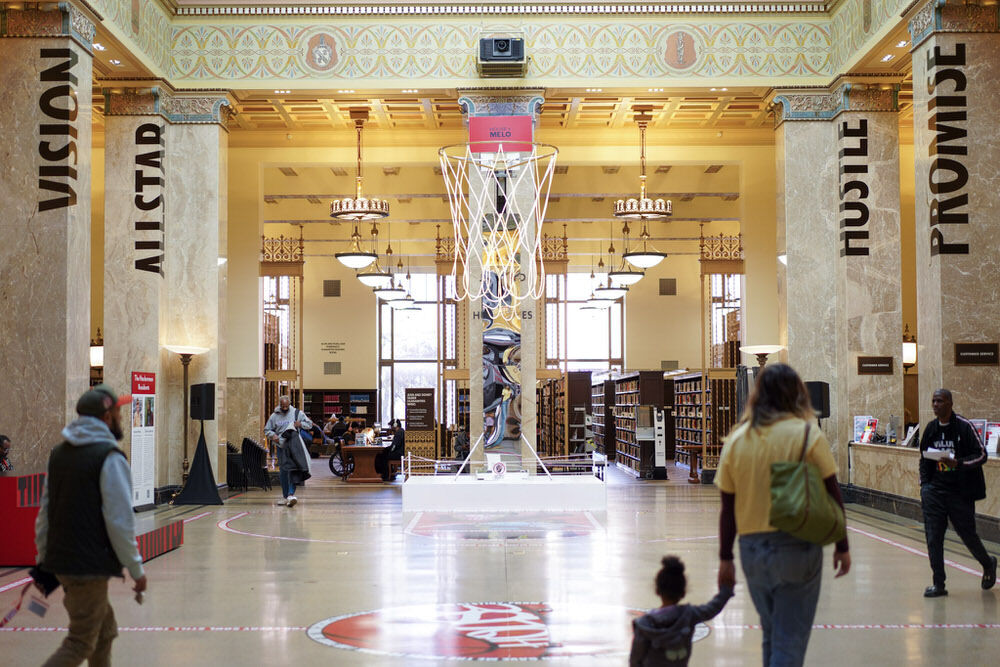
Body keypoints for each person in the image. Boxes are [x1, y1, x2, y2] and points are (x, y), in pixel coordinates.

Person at [715, 363, 850, 667]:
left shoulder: (737, 440)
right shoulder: (807, 435)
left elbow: (728, 509)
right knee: (789, 641)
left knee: (771, 633)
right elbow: (833, 492)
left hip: (752, 553)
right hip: (797, 547)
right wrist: (842, 546)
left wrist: (725, 558)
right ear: (797, 394)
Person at [34, 384, 147, 666]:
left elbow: (45, 513)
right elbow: (120, 521)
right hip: (88, 567)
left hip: (65, 563)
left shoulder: (59, 454)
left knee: (105, 633)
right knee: (81, 641)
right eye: (119, 412)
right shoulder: (109, 457)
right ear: (107, 417)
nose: (122, 417)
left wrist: (45, 558)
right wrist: (136, 569)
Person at [918, 388, 997, 597]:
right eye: (933, 401)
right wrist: (925, 486)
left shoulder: (964, 426)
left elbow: (982, 455)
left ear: (950, 403)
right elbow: (924, 459)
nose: (936, 405)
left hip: (960, 492)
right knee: (934, 537)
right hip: (935, 491)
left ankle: (988, 563)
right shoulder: (931, 429)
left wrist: (958, 463)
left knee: (967, 534)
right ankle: (939, 584)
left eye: (940, 401)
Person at [629, 555, 733, 667]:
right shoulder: (689, 615)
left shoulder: (645, 625)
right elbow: (712, 608)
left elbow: (635, 659)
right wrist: (726, 590)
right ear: (683, 592)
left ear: (657, 590)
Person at [264, 395, 313, 507]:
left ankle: (291, 494)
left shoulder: (297, 413)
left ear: (289, 404)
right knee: (283, 471)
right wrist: (273, 435)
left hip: (294, 447)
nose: (285, 408)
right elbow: (267, 430)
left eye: (286, 406)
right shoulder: (274, 416)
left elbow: (309, 424)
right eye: (283, 406)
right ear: (280, 405)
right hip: (281, 446)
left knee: (293, 469)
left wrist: (300, 424)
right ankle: (285, 495)